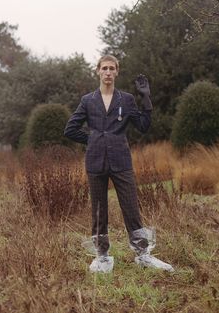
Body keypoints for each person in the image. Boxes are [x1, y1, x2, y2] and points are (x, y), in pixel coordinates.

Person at [64, 55, 174, 273]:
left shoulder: (126, 99)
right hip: (95, 162)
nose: (107, 72)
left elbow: (143, 125)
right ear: (97, 71)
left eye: (111, 68)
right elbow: (70, 129)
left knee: (131, 207)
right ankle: (102, 257)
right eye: (104, 68)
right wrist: (95, 139)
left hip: (121, 161)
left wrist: (146, 99)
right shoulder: (88, 100)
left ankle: (143, 255)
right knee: (98, 209)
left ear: (116, 72)